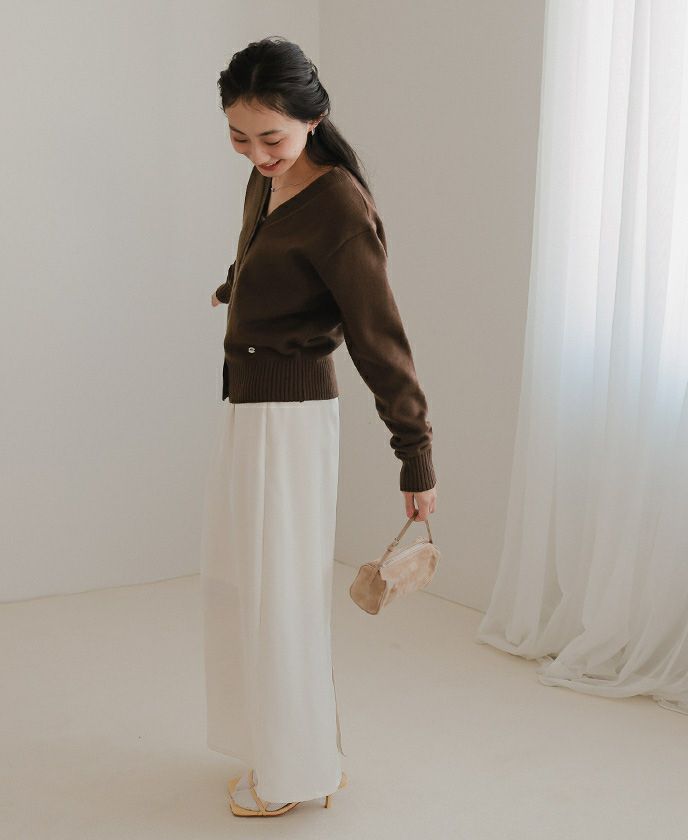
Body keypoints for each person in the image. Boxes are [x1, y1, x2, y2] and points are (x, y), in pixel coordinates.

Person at [199, 35, 438, 818]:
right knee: (250, 588)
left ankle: (295, 774)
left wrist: (415, 457)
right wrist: (236, 287)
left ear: (314, 116)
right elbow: (269, 254)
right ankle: (293, 751)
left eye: (270, 137)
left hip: (290, 423)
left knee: (282, 599)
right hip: (251, 409)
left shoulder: (339, 207)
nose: (256, 154)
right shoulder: (269, 180)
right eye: (239, 137)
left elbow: (380, 341)